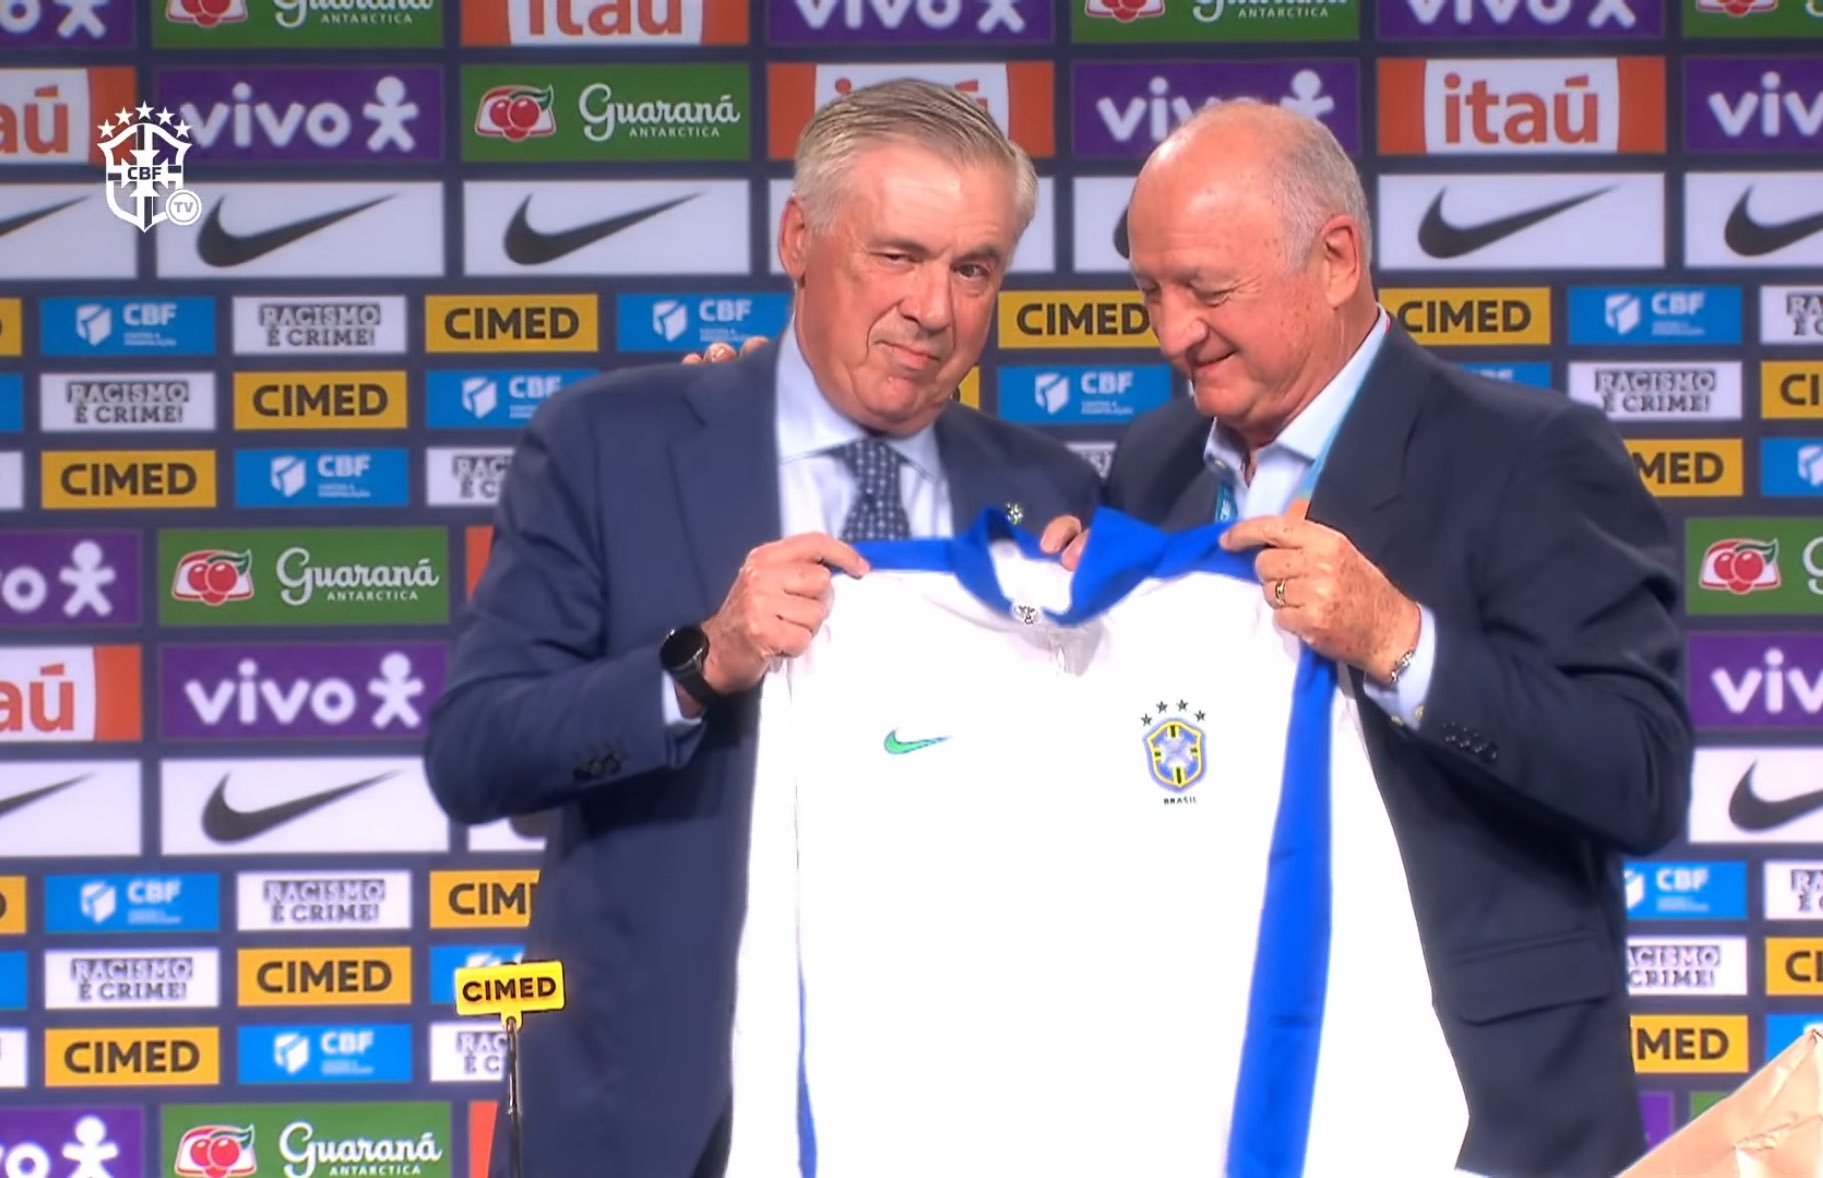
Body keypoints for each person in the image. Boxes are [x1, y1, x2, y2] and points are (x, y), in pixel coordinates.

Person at [424, 79, 1101, 1178]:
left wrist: (1094, 660)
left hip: (959, 1107)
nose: (934, 307)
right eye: (897, 255)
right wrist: (702, 661)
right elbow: (475, 752)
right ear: (799, 239)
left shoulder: (1046, 491)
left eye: (973, 269)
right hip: (665, 1116)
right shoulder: (608, 445)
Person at [1046, 103, 1693, 1175]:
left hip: (1473, 1106)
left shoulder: (1529, 455)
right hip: (1213, 1084)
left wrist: (1399, 642)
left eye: (1206, 290)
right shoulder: (1153, 462)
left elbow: (1639, 775)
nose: (1172, 334)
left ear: (1336, 258)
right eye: (1148, 293)